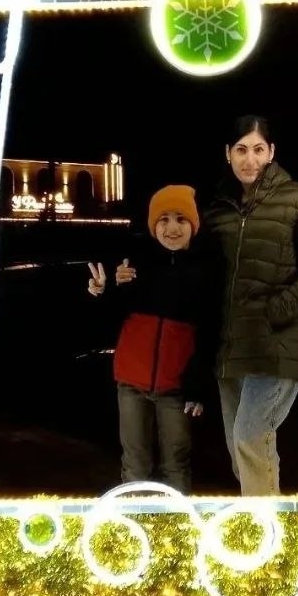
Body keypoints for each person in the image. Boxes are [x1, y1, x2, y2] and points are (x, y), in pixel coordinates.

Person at [203, 115, 298, 496]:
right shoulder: (218, 209)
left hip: (277, 343)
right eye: (241, 150)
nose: (250, 159)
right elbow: (196, 270)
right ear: (228, 154)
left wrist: (278, 310)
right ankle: (265, 519)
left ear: (272, 152)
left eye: (258, 149)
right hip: (231, 346)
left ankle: (265, 528)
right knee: (241, 452)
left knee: (250, 438)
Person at [87, 184, 218, 495]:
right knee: (135, 464)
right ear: (152, 225)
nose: (172, 228)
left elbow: (210, 333)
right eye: (164, 219)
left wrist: (198, 388)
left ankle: (178, 522)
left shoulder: (205, 271)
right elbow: (111, 321)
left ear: (193, 225)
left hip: (176, 389)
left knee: (176, 463)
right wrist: (102, 292)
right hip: (131, 383)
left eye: (181, 219)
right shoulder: (133, 266)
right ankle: (134, 520)